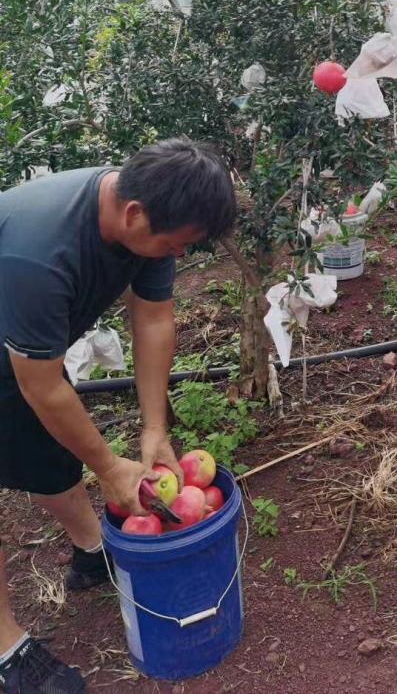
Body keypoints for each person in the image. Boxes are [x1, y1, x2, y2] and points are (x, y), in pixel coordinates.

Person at [0, 139, 236, 694]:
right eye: (176, 246)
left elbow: (153, 321)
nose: (178, 256)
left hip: (19, 355)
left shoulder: (142, 219)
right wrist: (110, 468)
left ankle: (91, 551)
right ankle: (7, 653)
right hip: (22, 350)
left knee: (51, 443)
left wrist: (154, 430)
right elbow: (42, 384)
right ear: (135, 216)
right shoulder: (40, 251)